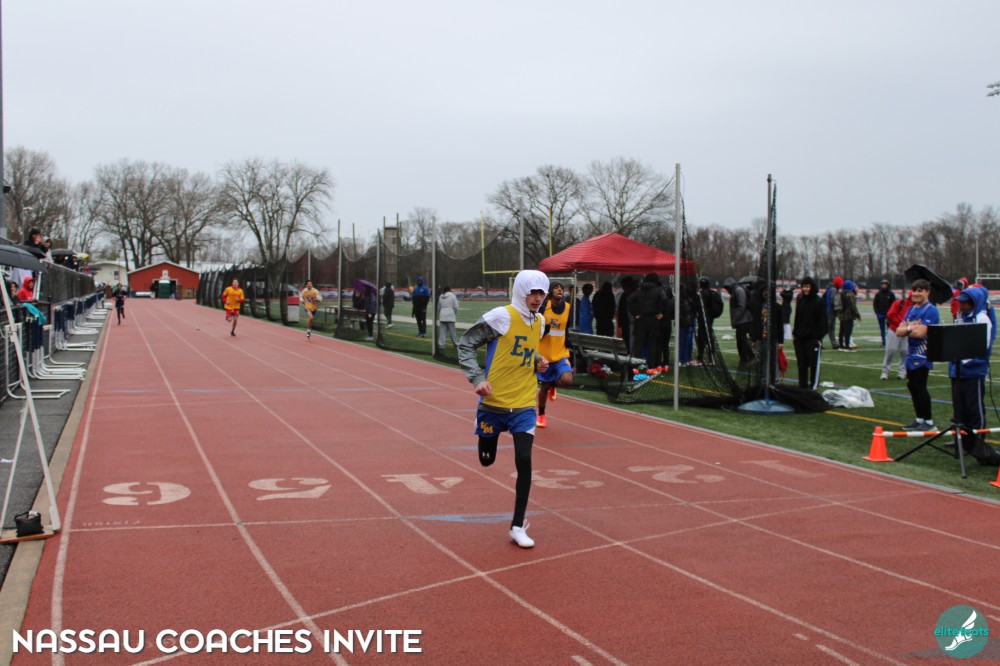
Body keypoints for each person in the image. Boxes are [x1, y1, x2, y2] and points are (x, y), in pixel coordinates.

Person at [456, 270, 550, 548]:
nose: (537, 298)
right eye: (532, 292)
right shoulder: (501, 317)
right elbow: (466, 343)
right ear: (520, 291)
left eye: (541, 293)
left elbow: (524, 349)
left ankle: (517, 525)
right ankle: (485, 436)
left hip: (523, 403)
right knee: (487, 460)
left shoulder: (540, 322)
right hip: (493, 404)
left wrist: (537, 360)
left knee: (524, 459)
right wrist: (477, 378)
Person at [949, 286, 1000, 466]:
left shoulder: (982, 318)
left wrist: (965, 361)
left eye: (965, 303)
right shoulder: (961, 317)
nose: (961, 306)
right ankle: (963, 442)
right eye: (960, 302)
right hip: (957, 371)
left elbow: (982, 345)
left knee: (974, 410)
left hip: (973, 372)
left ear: (974, 303)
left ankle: (978, 446)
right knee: (959, 410)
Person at [897, 279, 940, 431]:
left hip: (923, 354)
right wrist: (911, 328)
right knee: (912, 386)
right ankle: (919, 418)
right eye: (914, 290)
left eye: (920, 291)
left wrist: (908, 329)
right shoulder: (911, 309)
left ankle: (929, 422)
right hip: (911, 354)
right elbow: (898, 331)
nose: (916, 293)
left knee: (920, 386)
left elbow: (920, 333)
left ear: (927, 292)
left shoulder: (931, 310)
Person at [535, 280, 574, 428]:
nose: (559, 290)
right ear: (550, 291)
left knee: (568, 380)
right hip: (544, 355)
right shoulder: (543, 307)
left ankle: (552, 384)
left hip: (561, 353)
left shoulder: (568, 307)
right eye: (556, 287)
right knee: (544, 388)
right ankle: (541, 414)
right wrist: (543, 330)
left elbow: (567, 328)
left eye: (561, 288)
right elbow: (535, 327)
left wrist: (568, 341)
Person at [792, 277, 827, 389]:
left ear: (812, 287)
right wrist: (795, 334)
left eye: (808, 286)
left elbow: (823, 321)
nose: (806, 289)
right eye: (804, 286)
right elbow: (797, 318)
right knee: (801, 364)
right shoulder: (801, 300)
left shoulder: (819, 301)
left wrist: (819, 337)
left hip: (812, 339)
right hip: (800, 338)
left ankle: (813, 388)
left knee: (814, 364)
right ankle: (802, 387)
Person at [881, 292, 912, 380]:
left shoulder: (916, 306)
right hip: (894, 329)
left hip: (907, 331)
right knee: (890, 350)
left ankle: (902, 371)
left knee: (905, 351)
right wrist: (901, 323)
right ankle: (885, 371)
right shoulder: (899, 303)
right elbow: (890, 314)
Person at [723, 277, 753, 365]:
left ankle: (749, 358)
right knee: (740, 341)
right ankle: (745, 359)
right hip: (741, 320)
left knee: (742, 340)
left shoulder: (738, 290)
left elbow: (742, 306)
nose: (727, 290)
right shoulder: (736, 290)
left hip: (743, 320)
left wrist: (736, 318)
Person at [696, 277, 723, 365]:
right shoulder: (711, 293)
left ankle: (707, 358)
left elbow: (700, 307)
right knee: (706, 337)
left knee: (704, 338)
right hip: (709, 318)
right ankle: (707, 358)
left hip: (704, 318)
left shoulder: (703, 294)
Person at [837, 280, 861, 351]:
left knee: (841, 331)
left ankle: (841, 344)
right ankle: (847, 345)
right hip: (848, 315)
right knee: (848, 331)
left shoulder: (841, 293)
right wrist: (857, 315)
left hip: (841, 315)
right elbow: (853, 306)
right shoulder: (850, 294)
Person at [616, 276, 638, 352]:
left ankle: (630, 354)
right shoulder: (624, 296)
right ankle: (629, 353)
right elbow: (621, 309)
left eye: (624, 287)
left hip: (632, 323)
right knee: (628, 341)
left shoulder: (633, 295)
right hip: (626, 323)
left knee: (632, 342)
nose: (624, 289)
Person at [872, 279, 896, 346]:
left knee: (890, 329)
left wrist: (892, 313)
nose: (884, 286)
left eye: (885, 285)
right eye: (883, 284)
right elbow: (875, 303)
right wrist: (877, 312)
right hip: (880, 314)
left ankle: (891, 341)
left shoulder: (891, 294)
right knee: (882, 329)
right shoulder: (878, 294)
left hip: (889, 314)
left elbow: (894, 304)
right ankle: (884, 342)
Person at [824, 276, 844, 349]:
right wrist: (839, 309)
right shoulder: (834, 290)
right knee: (828, 327)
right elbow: (834, 301)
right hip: (831, 311)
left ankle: (834, 344)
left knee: (830, 328)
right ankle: (818, 340)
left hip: (828, 310)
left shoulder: (830, 289)